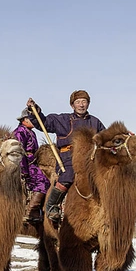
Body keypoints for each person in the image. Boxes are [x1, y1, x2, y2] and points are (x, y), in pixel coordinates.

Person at [25, 90, 105, 223]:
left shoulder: (95, 122)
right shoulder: (62, 119)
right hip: (69, 157)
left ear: (88, 104)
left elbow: (106, 137)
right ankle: (52, 205)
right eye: (78, 102)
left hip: (90, 158)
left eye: (84, 102)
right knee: (68, 175)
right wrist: (34, 111)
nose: (81, 105)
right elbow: (43, 122)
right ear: (72, 105)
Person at [13, 108, 51, 223]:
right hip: (25, 163)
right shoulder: (20, 132)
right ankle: (31, 210)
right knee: (43, 182)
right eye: (31, 119)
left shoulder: (31, 132)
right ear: (25, 119)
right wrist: (24, 170)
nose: (34, 121)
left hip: (32, 162)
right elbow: (20, 151)